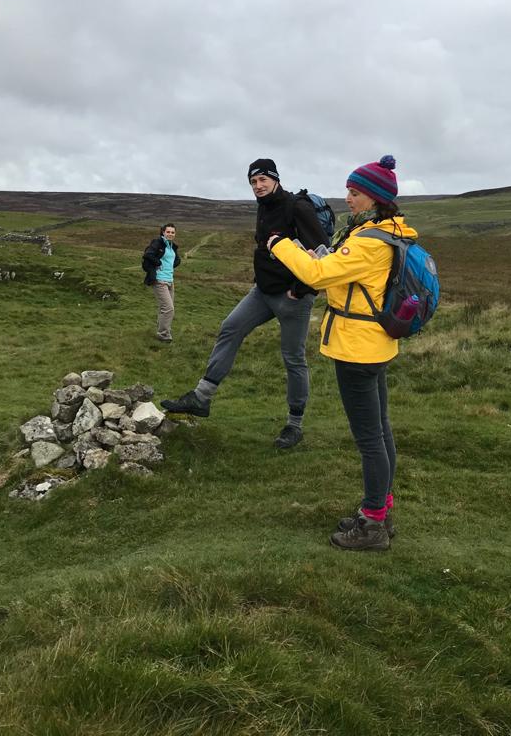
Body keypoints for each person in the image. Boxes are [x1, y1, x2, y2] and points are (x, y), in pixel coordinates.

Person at [266, 154, 416, 552]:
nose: (347, 198)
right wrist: (323, 260)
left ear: (375, 198)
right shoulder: (385, 232)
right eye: (348, 191)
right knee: (380, 430)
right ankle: (381, 510)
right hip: (374, 343)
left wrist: (281, 245)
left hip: (357, 349)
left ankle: (373, 525)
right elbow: (341, 276)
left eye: (355, 193)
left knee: (370, 439)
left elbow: (317, 276)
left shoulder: (369, 241)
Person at [161, 158, 328, 448]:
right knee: (230, 328)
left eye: (263, 180)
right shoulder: (264, 207)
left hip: (293, 298)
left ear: (275, 179)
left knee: (293, 358)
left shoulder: (297, 207)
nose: (258, 186)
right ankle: (201, 397)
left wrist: (301, 290)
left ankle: (294, 425)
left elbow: (324, 254)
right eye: (253, 182)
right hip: (262, 292)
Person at [142, 223, 181, 342]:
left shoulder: (171, 246)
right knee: (168, 308)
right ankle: (163, 335)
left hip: (170, 280)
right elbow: (148, 254)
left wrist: (172, 265)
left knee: (164, 308)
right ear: (163, 232)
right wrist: (159, 263)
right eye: (168, 232)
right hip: (159, 280)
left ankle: (162, 330)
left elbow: (176, 259)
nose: (170, 234)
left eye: (172, 232)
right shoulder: (158, 243)